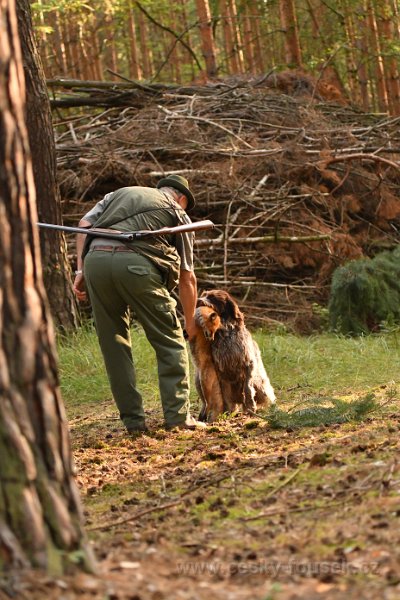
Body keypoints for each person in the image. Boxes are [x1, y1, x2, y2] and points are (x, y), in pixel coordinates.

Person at [73, 175, 206, 433]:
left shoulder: (119, 194)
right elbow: (187, 276)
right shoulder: (177, 213)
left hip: (95, 263)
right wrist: (190, 323)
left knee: (114, 344)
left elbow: (83, 224)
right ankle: (178, 418)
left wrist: (80, 272)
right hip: (136, 266)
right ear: (181, 199)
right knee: (169, 340)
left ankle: (133, 423)